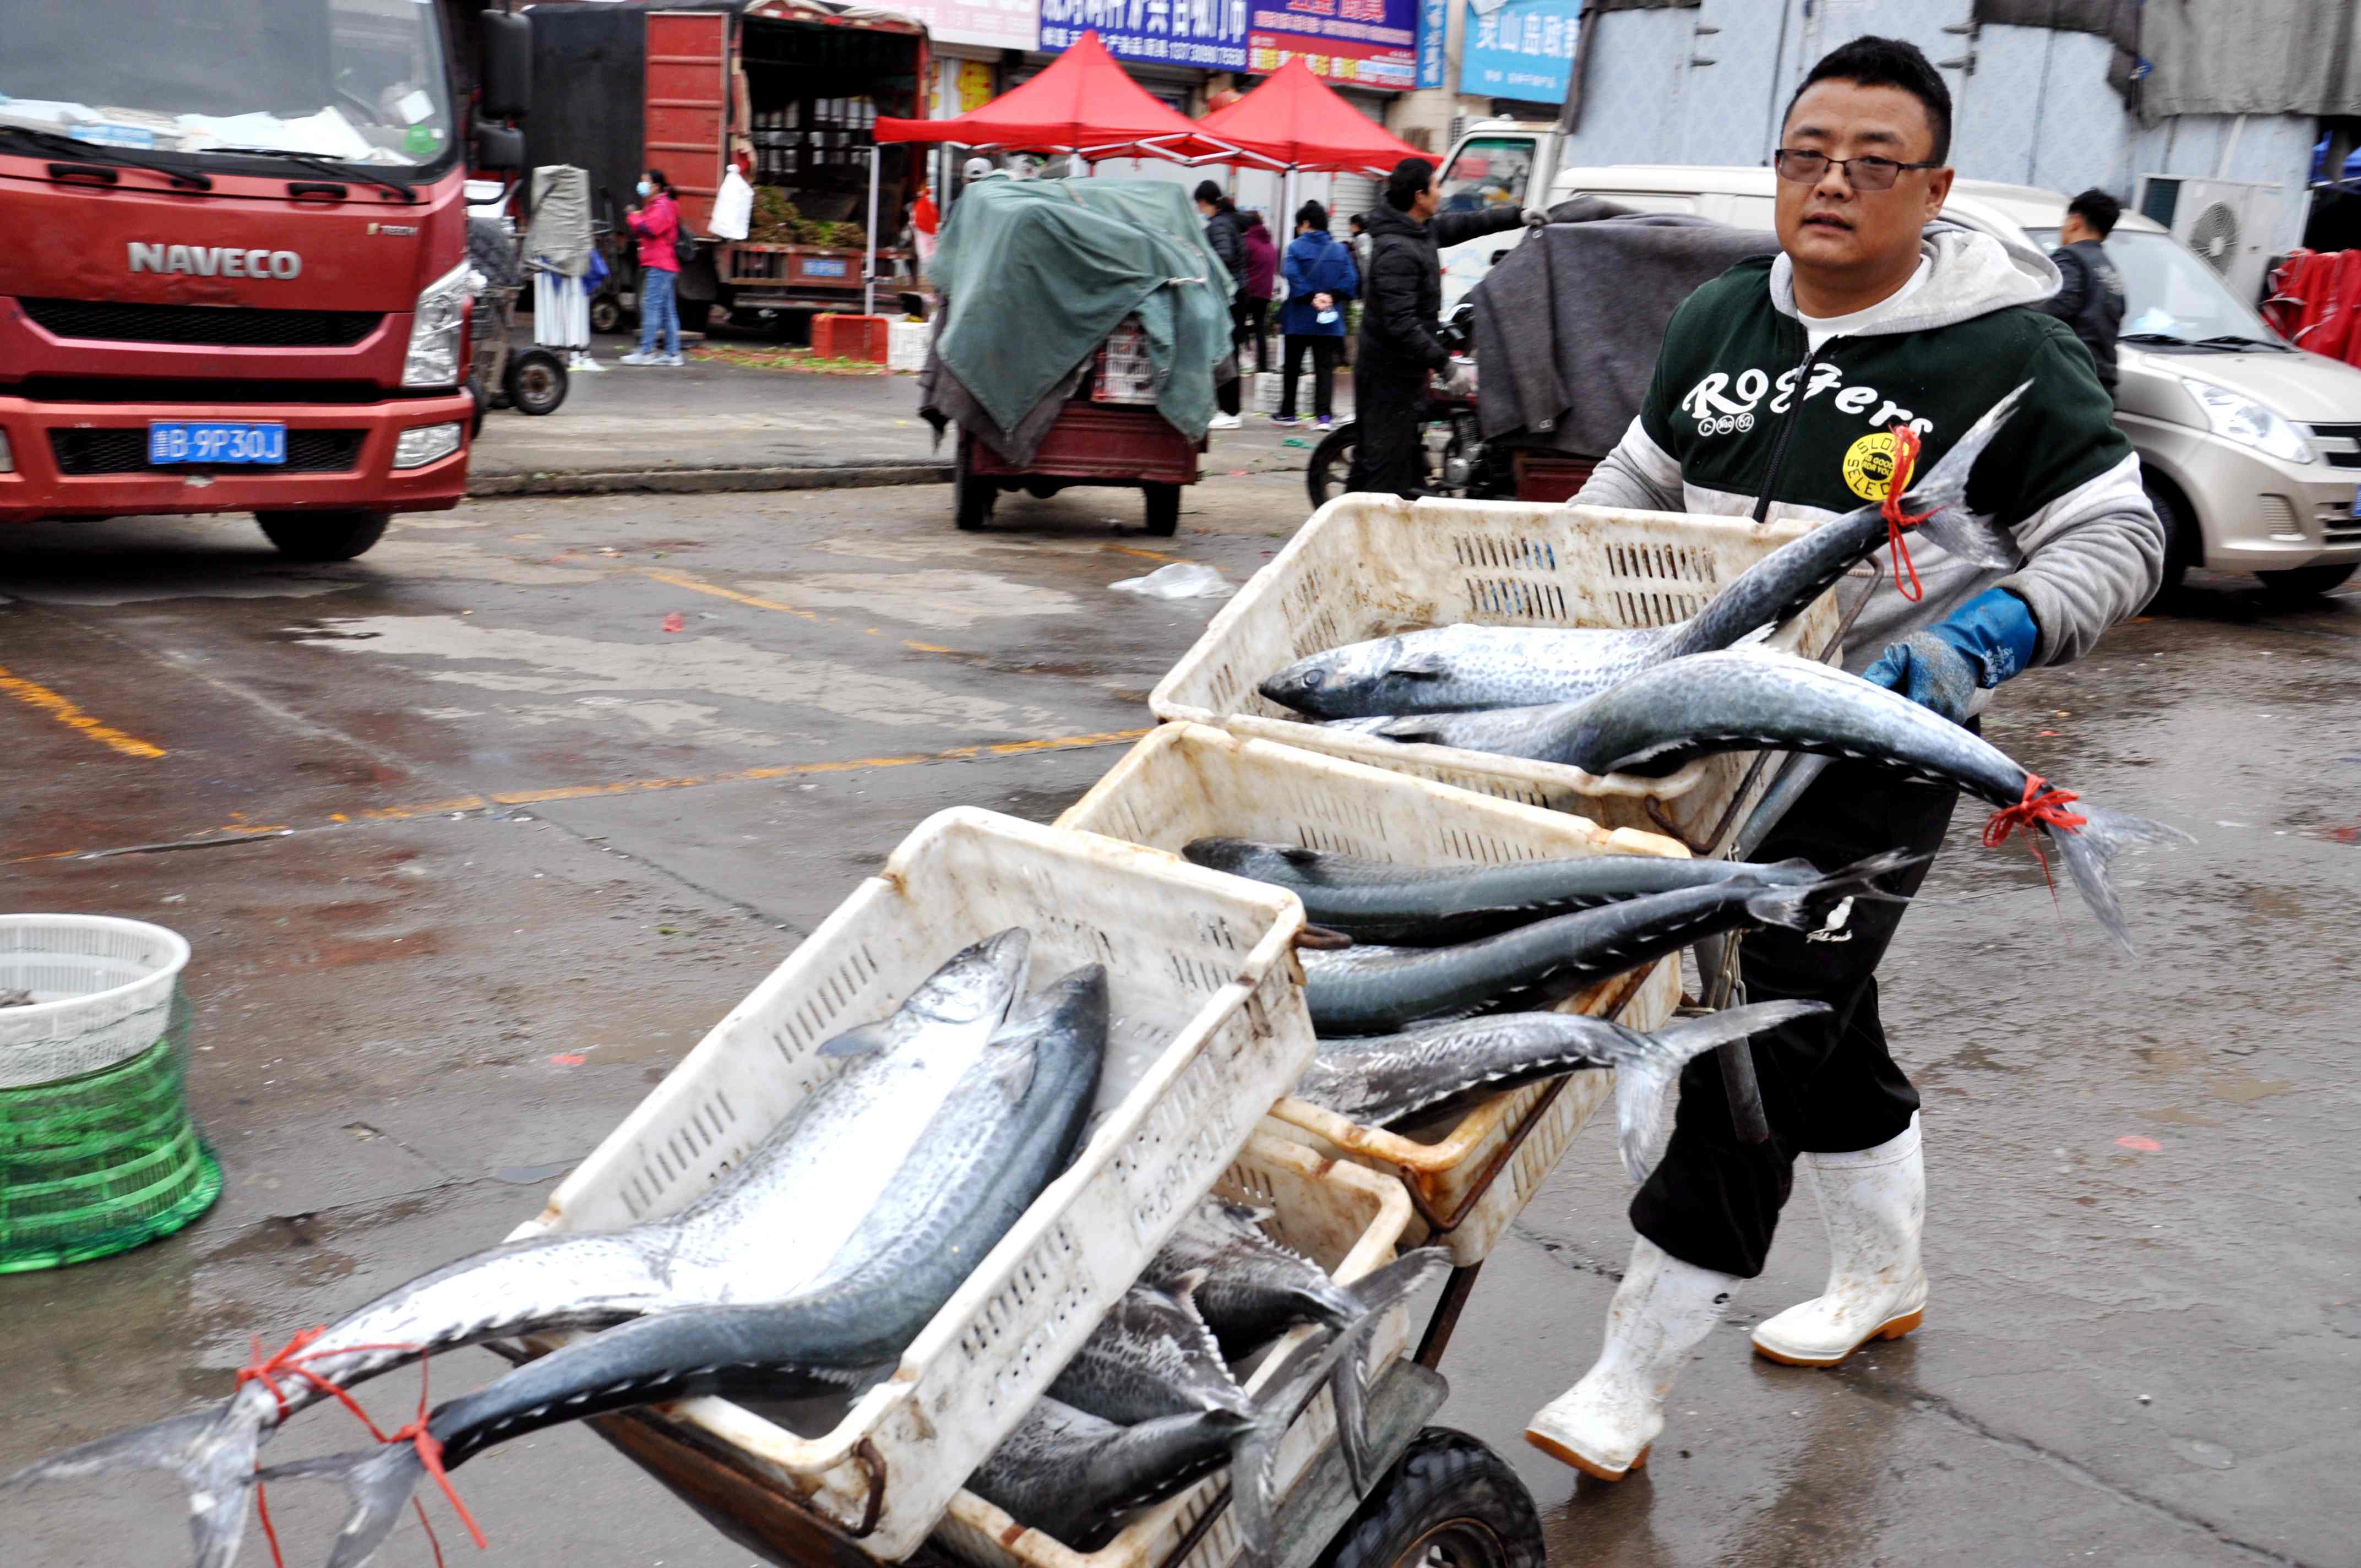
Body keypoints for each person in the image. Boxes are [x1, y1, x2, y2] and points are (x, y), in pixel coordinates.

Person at [1522, 35, 2162, 1483]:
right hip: (1695, 733)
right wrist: (1555, 570)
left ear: (1933, 188)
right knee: (1829, 1019)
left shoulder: (2005, 352)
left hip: (1874, 743)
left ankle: (1630, 1377)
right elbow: (1641, 476)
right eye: (1808, 154)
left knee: (1756, 1028)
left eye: (1874, 164)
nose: (1832, 184)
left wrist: (1980, 639)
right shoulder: (1716, 323)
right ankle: (1885, 1276)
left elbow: (2120, 537)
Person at [1350, 158, 1541, 495]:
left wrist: (1518, 216)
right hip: (1387, 377)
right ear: (1420, 196)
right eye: (1436, 186)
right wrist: (1445, 364)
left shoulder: (1419, 230)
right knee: (1384, 470)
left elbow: (1468, 224)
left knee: (1396, 462)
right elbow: (1401, 324)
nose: (1441, 193)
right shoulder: (1396, 250)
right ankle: (1364, 534)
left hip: (1404, 372)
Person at [1274, 200, 1357, 429]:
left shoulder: (1296, 248)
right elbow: (1351, 279)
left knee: (1292, 367)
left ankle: (1288, 413)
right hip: (1328, 319)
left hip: (1299, 318)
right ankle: (1323, 416)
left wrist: (1311, 297)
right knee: (1324, 368)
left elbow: (1290, 274)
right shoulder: (1339, 249)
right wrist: (1330, 297)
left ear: (1306, 223)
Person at [2041, 187, 2128, 393]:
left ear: (2075, 222)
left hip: (2070, 382)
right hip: (2103, 386)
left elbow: (2051, 309)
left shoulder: (2070, 258)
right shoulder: (2109, 270)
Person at [1196, 179, 1249, 428]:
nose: (1199, 210)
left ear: (1206, 203)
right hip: (1238, 294)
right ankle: (1229, 410)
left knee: (1225, 351)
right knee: (1229, 350)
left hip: (1230, 296)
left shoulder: (1219, 225)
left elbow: (1224, 256)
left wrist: (1204, 265)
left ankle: (1229, 411)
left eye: (1200, 205)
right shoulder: (1229, 223)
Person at [621, 167, 683, 367]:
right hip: (665, 264)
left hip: (660, 263)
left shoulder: (662, 205)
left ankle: (646, 351)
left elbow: (650, 228)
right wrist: (640, 216)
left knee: (652, 307)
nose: (642, 185)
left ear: (656, 186)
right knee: (667, 310)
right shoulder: (661, 204)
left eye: (645, 182)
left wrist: (632, 217)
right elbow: (648, 223)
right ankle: (673, 354)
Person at [1239, 209, 1278, 374]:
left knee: (1237, 325)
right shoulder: (1270, 244)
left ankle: (1241, 359)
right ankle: (1263, 367)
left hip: (1248, 292)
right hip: (1264, 293)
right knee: (1260, 329)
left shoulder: (1247, 242)